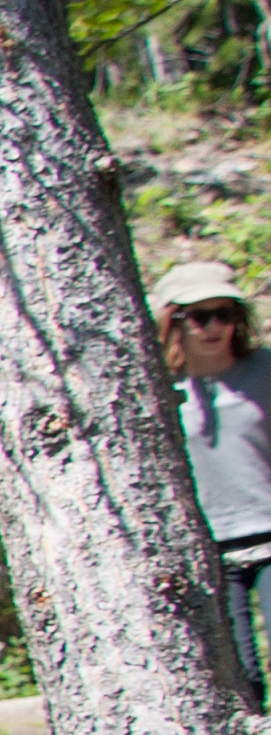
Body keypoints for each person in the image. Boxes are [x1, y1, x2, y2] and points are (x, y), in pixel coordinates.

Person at [152, 257, 271, 710]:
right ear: (173, 319)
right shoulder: (149, 384)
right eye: (200, 316)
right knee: (240, 683)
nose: (214, 326)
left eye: (227, 314)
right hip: (207, 550)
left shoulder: (263, 370)